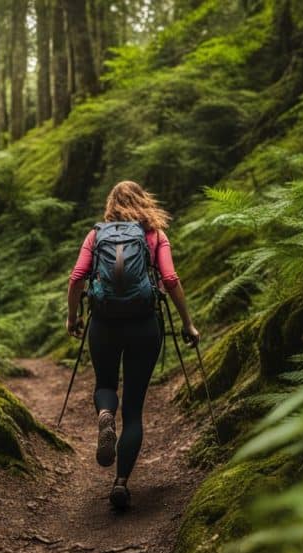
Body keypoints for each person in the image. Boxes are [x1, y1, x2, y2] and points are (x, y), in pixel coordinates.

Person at [66, 180, 200, 509]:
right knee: (135, 408)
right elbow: (170, 280)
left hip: (103, 323)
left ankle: (105, 415)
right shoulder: (154, 235)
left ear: (111, 204)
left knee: (106, 384)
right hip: (144, 324)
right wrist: (188, 323)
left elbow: (76, 277)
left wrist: (73, 318)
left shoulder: (97, 234)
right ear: (144, 200)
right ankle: (121, 483)